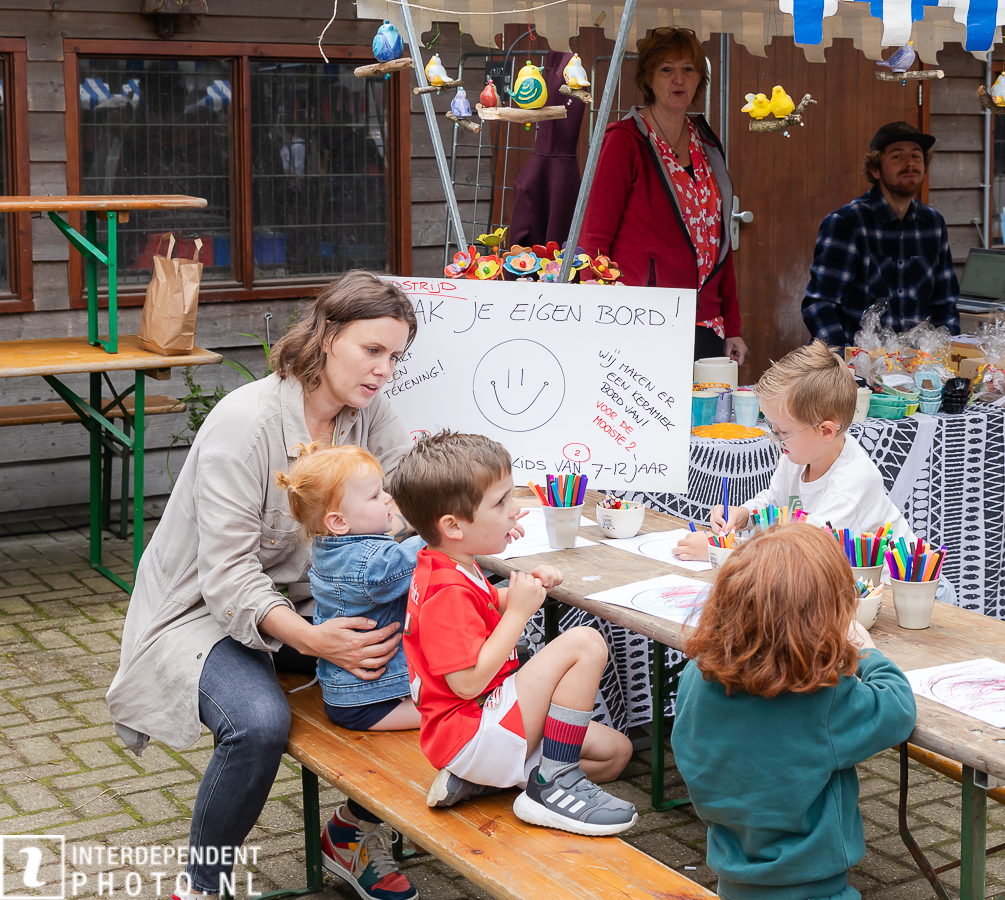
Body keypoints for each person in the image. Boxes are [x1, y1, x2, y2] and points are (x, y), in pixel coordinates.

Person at [106, 270, 423, 900]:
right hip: (202, 614)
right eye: (372, 350)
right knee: (257, 725)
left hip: (313, 603)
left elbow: (410, 503)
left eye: (395, 356)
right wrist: (314, 640)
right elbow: (227, 576)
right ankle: (201, 886)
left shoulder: (370, 414)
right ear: (327, 335)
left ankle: (350, 833)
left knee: (443, 668)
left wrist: (475, 506)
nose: (384, 370)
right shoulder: (245, 424)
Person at [392, 431, 635, 833]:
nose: (515, 510)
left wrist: (524, 591)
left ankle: (485, 782)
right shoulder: (445, 590)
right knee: (585, 643)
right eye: (501, 502)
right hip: (471, 730)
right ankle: (553, 783)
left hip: (488, 724)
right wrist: (520, 612)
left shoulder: (451, 563)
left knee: (615, 753)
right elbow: (467, 683)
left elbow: (486, 604)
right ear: (453, 526)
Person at [671, 523, 918, 900]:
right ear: (820, 620)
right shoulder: (821, 696)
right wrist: (867, 653)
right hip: (815, 888)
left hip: (733, 879)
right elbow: (898, 708)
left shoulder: (697, 674)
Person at [669, 342, 960, 600]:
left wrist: (719, 552)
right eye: (771, 426)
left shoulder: (851, 481)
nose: (774, 438)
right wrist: (744, 514)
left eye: (783, 431)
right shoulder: (797, 453)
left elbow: (798, 553)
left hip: (913, 595)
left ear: (826, 431)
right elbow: (774, 502)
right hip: (857, 593)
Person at [580, 27, 746, 365]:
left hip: (705, 322)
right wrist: (598, 316)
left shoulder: (705, 141)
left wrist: (733, 326)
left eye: (688, 69)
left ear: (700, 78)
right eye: (667, 69)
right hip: (641, 318)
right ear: (649, 77)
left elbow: (718, 243)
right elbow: (594, 238)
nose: (679, 79)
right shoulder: (625, 140)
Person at [276, 442, 424, 731]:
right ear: (338, 521)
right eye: (375, 495)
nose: (388, 498)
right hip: (372, 702)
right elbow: (413, 556)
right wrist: (445, 527)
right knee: (457, 713)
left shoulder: (335, 547)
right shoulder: (366, 564)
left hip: (357, 693)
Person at [802, 121, 960, 347]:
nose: (910, 163)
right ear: (875, 169)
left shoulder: (933, 224)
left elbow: (946, 304)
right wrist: (844, 358)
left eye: (916, 156)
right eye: (897, 156)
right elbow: (819, 305)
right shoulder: (847, 223)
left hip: (918, 361)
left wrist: (943, 353)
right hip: (855, 359)